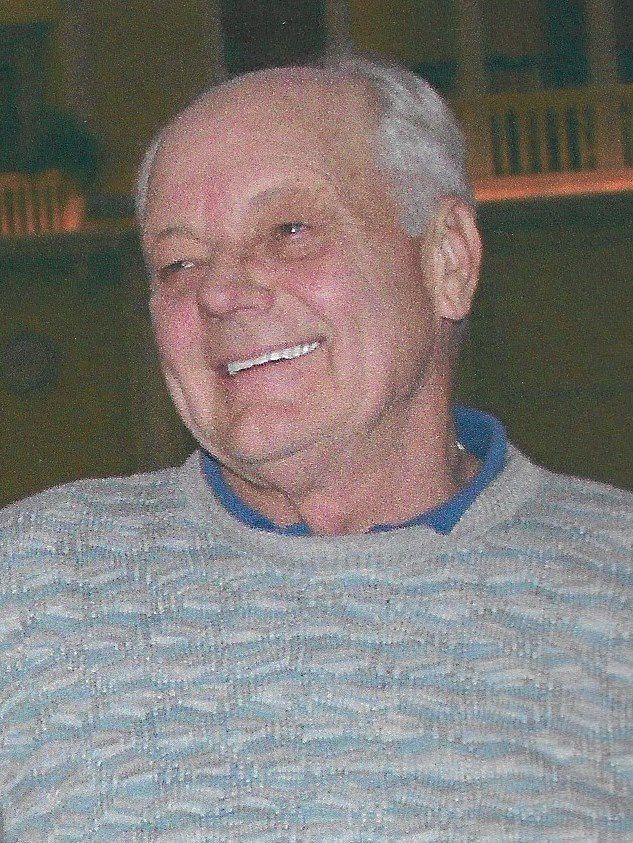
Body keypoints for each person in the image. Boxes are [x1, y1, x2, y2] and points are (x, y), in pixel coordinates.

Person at [1, 54, 631, 840]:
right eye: (178, 262)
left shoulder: (614, 586)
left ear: (447, 259)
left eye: (289, 230)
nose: (219, 291)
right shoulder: (27, 587)